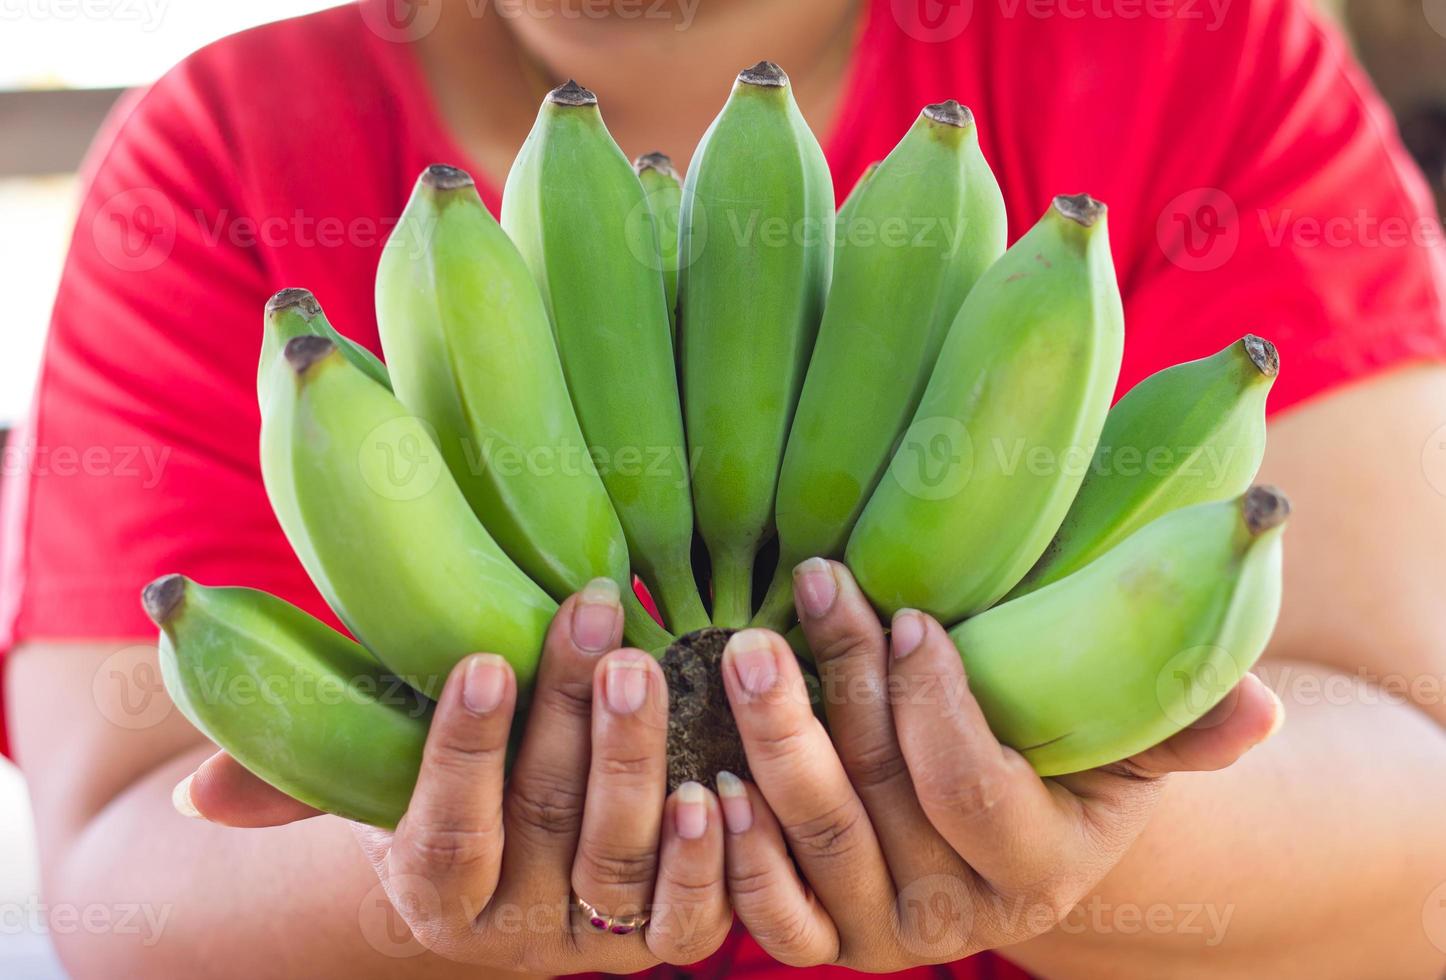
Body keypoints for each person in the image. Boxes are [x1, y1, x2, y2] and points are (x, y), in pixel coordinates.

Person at [3, 0, 1445, 976]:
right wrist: (434, 889)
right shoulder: (222, 157)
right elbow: (125, 881)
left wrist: (1078, 852)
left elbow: (1414, 797)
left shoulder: (1192, 55)